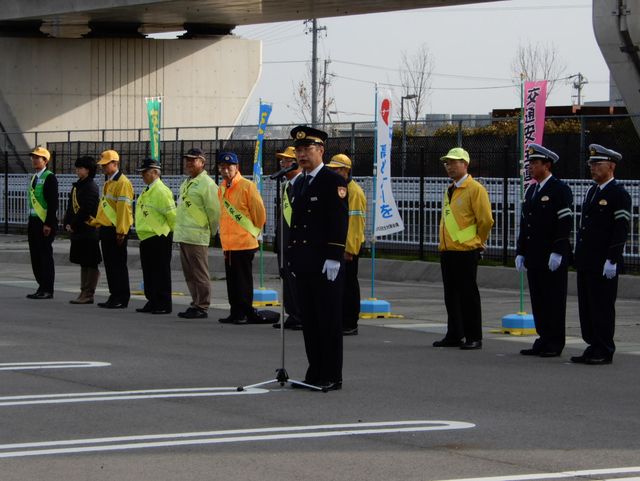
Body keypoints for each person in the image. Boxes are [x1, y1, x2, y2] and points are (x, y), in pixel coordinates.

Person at [288, 125, 348, 391]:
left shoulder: (333, 181)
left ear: (320, 150)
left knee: (328, 320)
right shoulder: (300, 182)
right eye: (298, 150)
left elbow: (338, 221)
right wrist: (291, 258)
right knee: (309, 320)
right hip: (305, 262)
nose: (302, 154)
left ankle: (332, 374)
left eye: (307, 149)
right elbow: (297, 224)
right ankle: (314, 371)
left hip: (325, 263)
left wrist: (334, 255)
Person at [572, 144, 631, 365]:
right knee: (587, 306)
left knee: (602, 307)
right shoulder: (593, 191)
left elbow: (620, 229)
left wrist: (612, 258)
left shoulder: (618, 193)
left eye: (598, 164)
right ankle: (593, 344)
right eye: (591, 164)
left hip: (604, 261)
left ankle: (604, 348)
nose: (593, 168)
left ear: (611, 166)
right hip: (587, 260)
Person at [515, 144, 573, 357]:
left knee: (553, 300)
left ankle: (555, 342)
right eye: (530, 163)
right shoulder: (532, 190)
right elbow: (526, 224)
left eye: (535, 163)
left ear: (547, 165)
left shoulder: (559, 189)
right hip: (535, 255)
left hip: (552, 256)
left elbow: (564, 223)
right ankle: (543, 337)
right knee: (538, 299)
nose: (530, 167)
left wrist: (558, 251)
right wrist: (521, 251)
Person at [433, 147, 494, 350]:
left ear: (465, 164)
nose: (449, 166)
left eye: (453, 162)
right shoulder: (450, 189)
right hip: (448, 250)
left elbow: (485, 220)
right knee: (451, 295)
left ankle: (473, 336)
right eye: (447, 163)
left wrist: (478, 240)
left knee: (468, 295)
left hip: (466, 250)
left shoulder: (475, 189)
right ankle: (454, 334)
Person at [216, 151, 267, 324]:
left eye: (229, 167)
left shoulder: (247, 186)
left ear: (236, 167)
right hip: (229, 243)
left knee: (243, 281)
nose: (225, 170)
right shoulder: (222, 188)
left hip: (244, 242)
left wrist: (253, 231)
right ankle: (235, 311)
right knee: (232, 281)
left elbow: (259, 214)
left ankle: (245, 312)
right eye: (222, 167)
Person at [174, 147, 220, 319]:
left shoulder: (207, 184)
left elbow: (214, 211)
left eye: (193, 160)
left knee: (200, 273)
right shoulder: (187, 182)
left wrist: (212, 231)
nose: (189, 163)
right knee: (189, 273)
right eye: (187, 160)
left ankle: (202, 305)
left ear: (202, 162)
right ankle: (195, 302)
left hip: (197, 236)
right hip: (184, 235)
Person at [326, 153, 366, 336]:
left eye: (336, 169)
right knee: (339, 286)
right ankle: (340, 320)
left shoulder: (354, 191)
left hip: (348, 247)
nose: (332, 172)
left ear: (345, 170)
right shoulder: (338, 188)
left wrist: (349, 249)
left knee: (349, 286)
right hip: (337, 245)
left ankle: (350, 322)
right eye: (331, 169)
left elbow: (356, 223)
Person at [90, 149, 134, 309]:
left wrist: (121, 231)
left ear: (115, 164)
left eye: (106, 164)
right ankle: (114, 295)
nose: (103, 168)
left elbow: (124, 209)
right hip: (107, 229)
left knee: (118, 264)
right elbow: (106, 207)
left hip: (116, 230)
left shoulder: (122, 183)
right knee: (110, 264)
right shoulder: (109, 182)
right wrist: (96, 222)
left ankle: (121, 297)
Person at [134, 159, 177, 315]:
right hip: (147, 236)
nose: (142, 176)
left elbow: (172, 215)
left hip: (159, 236)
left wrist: (174, 234)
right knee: (149, 271)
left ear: (154, 172)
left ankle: (163, 302)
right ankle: (152, 300)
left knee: (160, 271)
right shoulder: (149, 190)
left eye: (145, 172)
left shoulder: (161, 191)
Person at [272, 146, 304, 330]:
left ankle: (300, 315)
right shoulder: (286, 185)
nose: (283, 164)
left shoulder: (302, 184)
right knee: (286, 281)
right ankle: (292, 313)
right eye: (281, 160)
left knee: (295, 280)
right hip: (283, 242)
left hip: (295, 244)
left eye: (287, 160)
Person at [63, 155, 101, 304]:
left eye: (80, 168)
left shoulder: (91, 187)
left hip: (88, 230)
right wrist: (67, 222)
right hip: (78, 230)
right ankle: (83, 291)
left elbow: (87, 209)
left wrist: (74, 224)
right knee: (83, 262)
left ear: (88, 170)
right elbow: (70, 207)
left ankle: (88, 292)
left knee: (90, 262)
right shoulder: (77, 185)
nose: (77, 170)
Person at [26, 146, 58, 300]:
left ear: (45, 160)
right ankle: (41, 285)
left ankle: (48, 288)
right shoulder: (34, 177)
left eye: (37, 157)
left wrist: (48, 224)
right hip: (33, 221)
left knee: (45, 256)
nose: (34, 160)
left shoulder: (49, 177)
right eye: (33, 157)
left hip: (44, 223)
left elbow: (53, 203)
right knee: (35, 255)